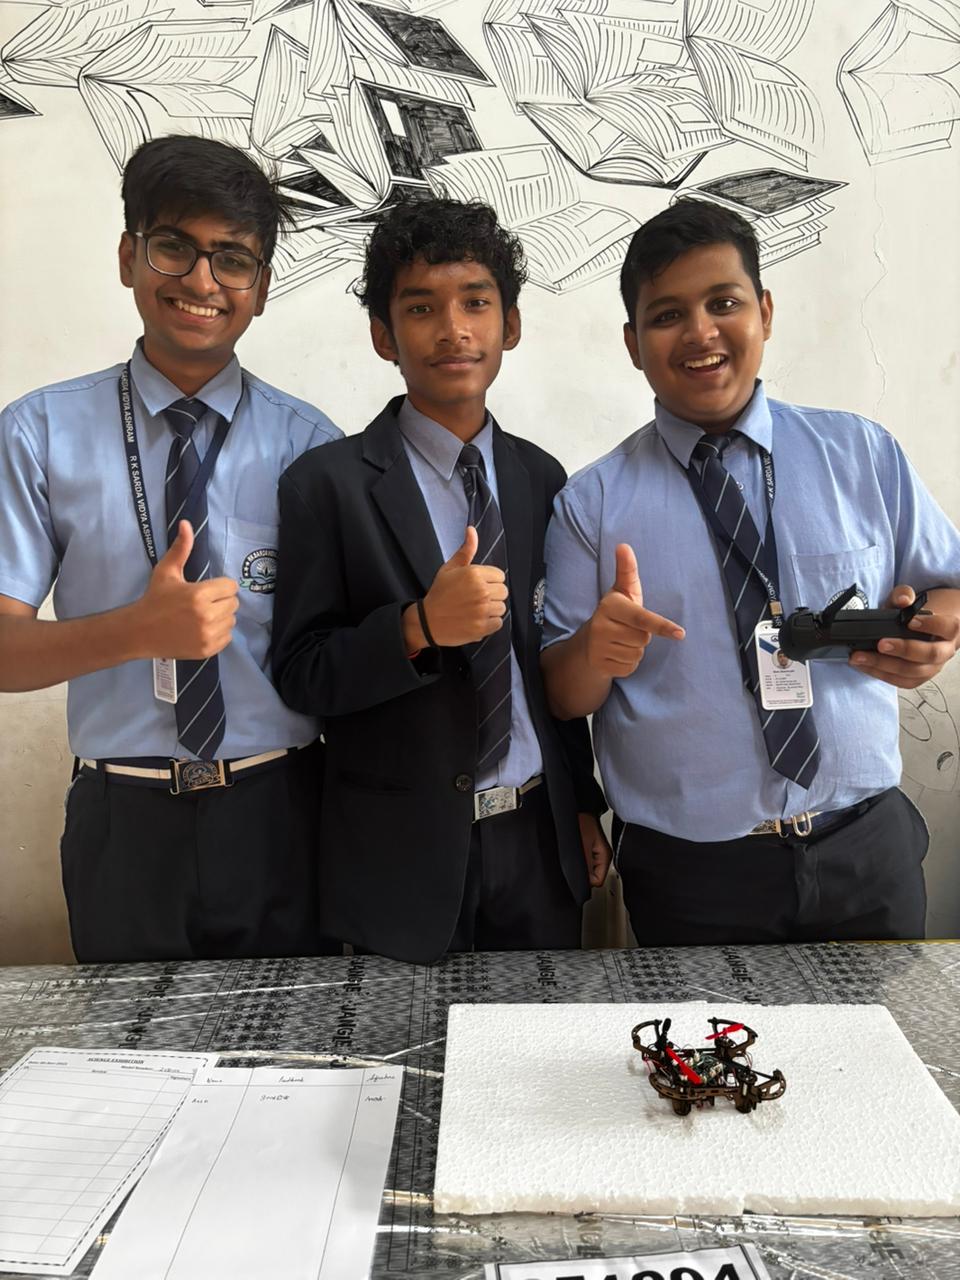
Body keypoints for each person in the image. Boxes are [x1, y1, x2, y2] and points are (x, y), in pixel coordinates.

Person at [541, 201, 960, 946]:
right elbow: (564, 696)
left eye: (724, 303)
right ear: (633, 343)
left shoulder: (861, 455)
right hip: (693, 874)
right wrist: (596, 652)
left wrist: (938, 631)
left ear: (764, 312)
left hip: (864, 848)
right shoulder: (592, 503)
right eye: (667, 315)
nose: (700, 332)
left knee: (882, 1027)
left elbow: (948, 589)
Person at [0, 135, 342, 962]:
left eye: (233, 259)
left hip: (281, 810)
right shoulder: (39, 433)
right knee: (130, 1042)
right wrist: (137, 630)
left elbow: (339, 653)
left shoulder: (312, 448)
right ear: (129, 257)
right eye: (174, 247)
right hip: (124, 824)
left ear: (261, 288)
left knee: (287, 1040)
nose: (201, 281)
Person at [271, 197, 609, 964]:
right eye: (421, 308)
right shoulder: (327, 485)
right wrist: (416, 627)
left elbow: (543, 658)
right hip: (400, 856)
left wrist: (581, 802)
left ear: (510, 325)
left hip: (536, 838)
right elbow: (301, 673)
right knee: (402, 1041)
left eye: (475, 303)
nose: (453, 329)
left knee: (539, 1035)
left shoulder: (540, 477)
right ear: (383, 335)